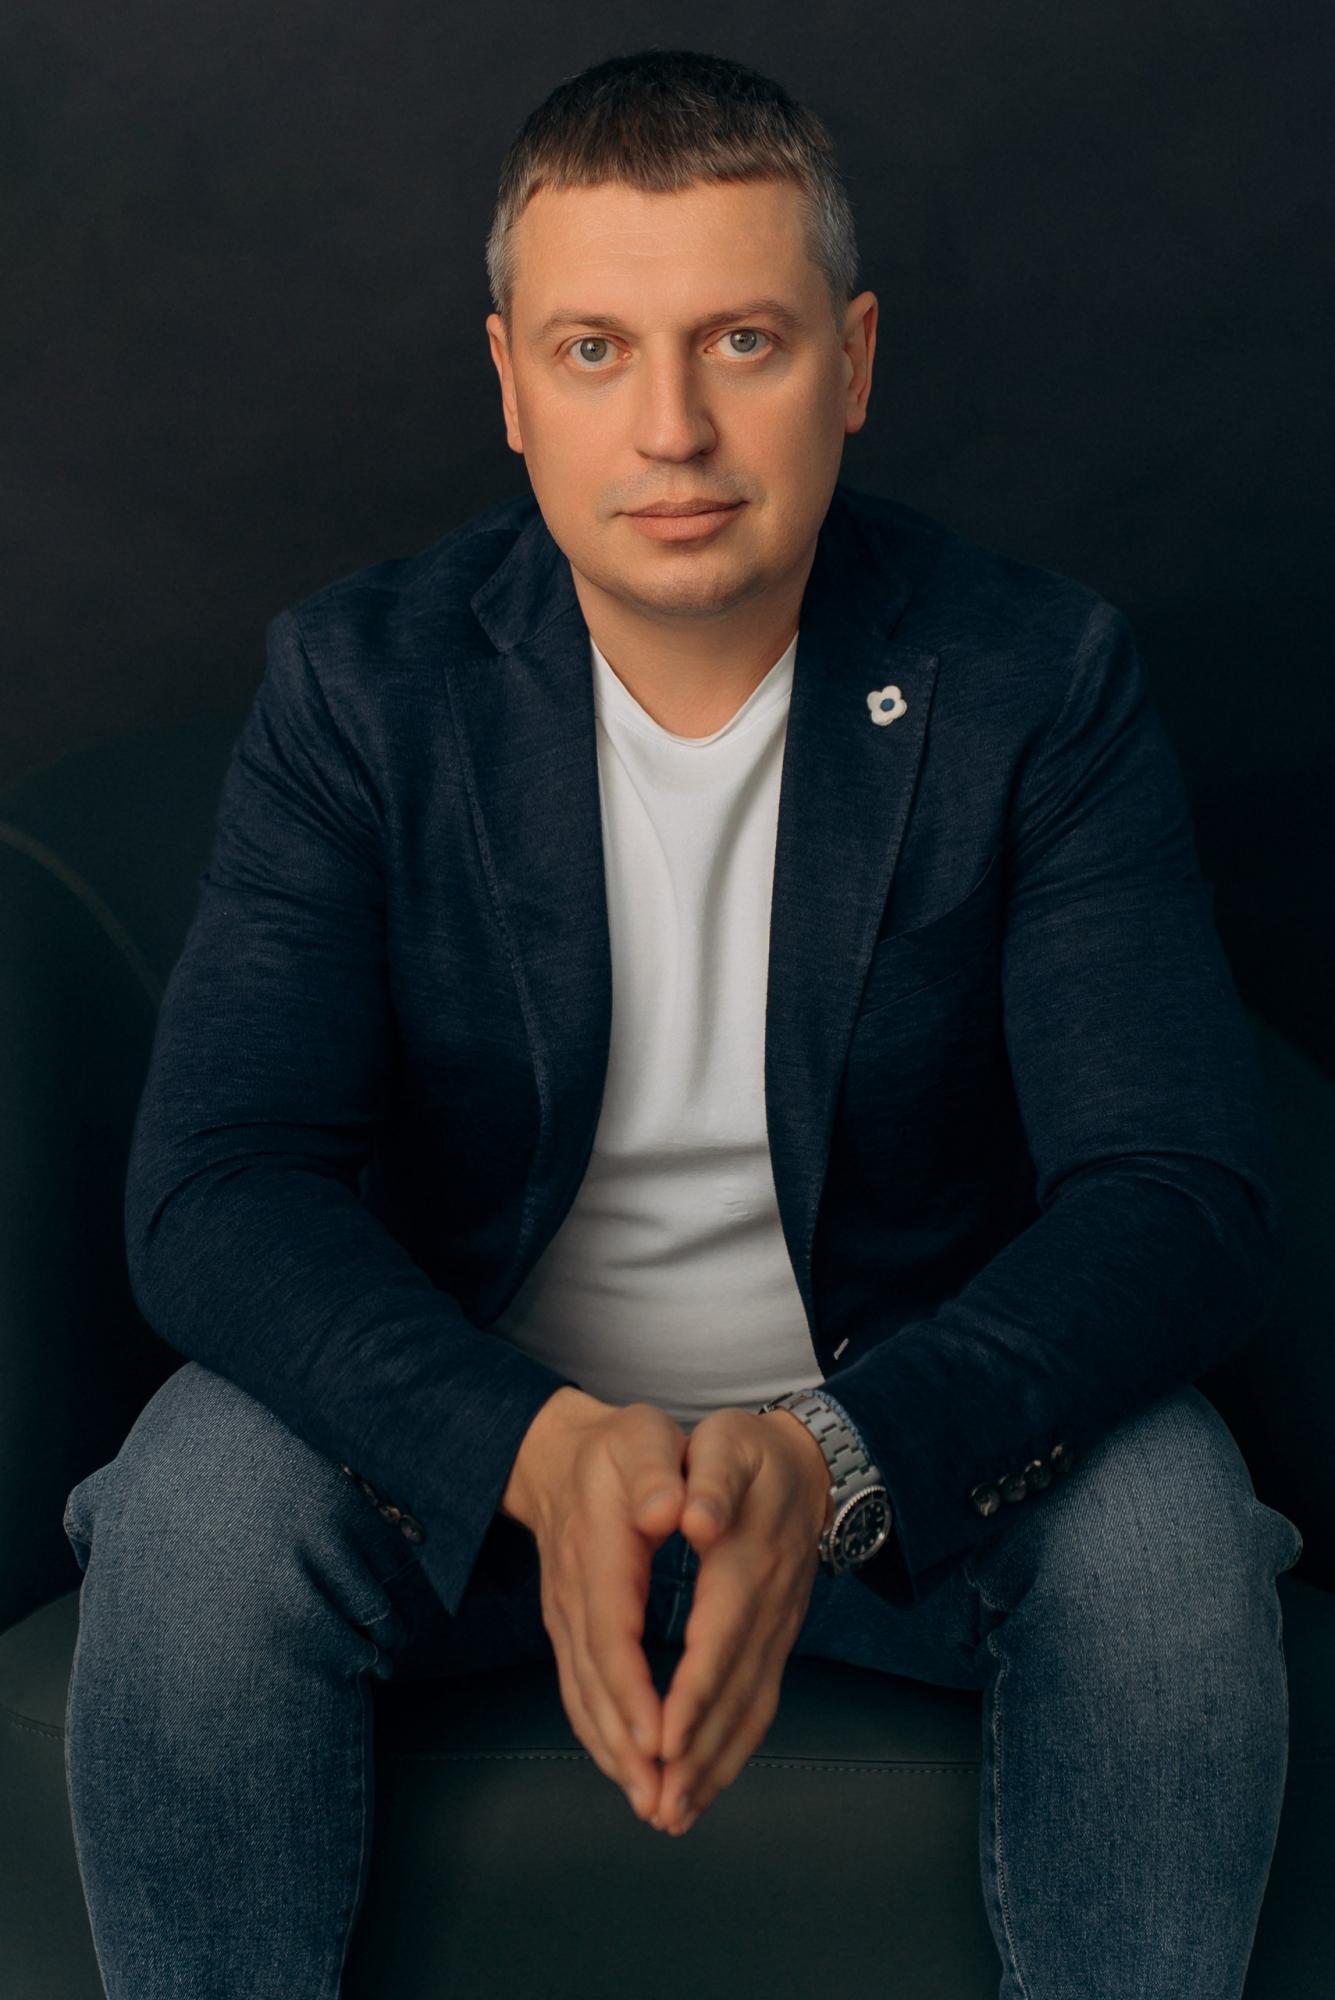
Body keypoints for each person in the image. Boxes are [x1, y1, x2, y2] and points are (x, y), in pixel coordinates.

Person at [62, 46, 1302, 2000]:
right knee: (197, 1500)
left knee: (1166, 1536)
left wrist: (830, 1456)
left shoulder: (1031, 679)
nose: (672, 428)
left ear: (851, 360)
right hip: (469, 1464)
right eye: (594, 351)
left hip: (896, 1459)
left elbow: (1176, 1191)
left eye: (741, 340)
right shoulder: (361, 689)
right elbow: (218, 1186)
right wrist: (532, 1448)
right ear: (508, 385)